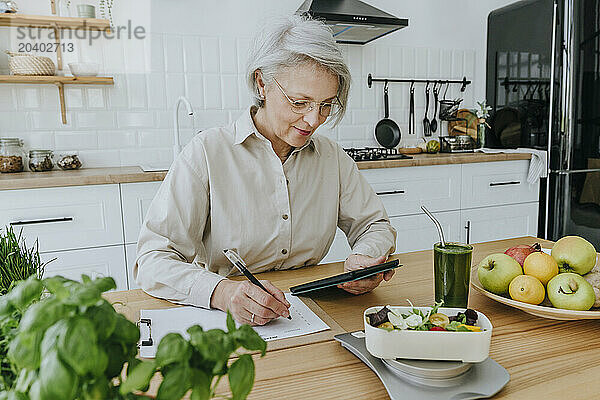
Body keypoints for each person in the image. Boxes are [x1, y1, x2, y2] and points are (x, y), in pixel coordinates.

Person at [135, 15, 397, 326]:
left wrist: (366, 260)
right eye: (300, 102)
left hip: (315, 313)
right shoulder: (206, 152)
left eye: (326, 104)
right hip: (230, 320)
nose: (314, 120)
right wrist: (220, 292)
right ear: (262, 83)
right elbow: (152, 259)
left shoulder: (332, 157)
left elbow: (375, 225)